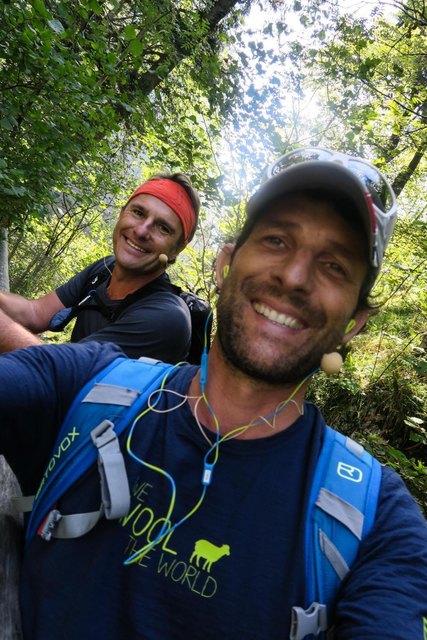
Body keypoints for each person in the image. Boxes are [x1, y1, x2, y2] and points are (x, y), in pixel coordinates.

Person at [0, 147, 426, 640]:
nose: (293, 277)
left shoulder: (374, 517)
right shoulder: (90, 383)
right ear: (225, 265)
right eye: (276, 239)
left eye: (334, 266)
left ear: (353, 323)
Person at [0, 172, 200, 362]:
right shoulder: (103, 271)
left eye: (163, 228)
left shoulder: (166, 317)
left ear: (177, 249)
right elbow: (35, 312)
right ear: (121, 214)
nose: (141, 231)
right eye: (138, 212)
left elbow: (60, 372)